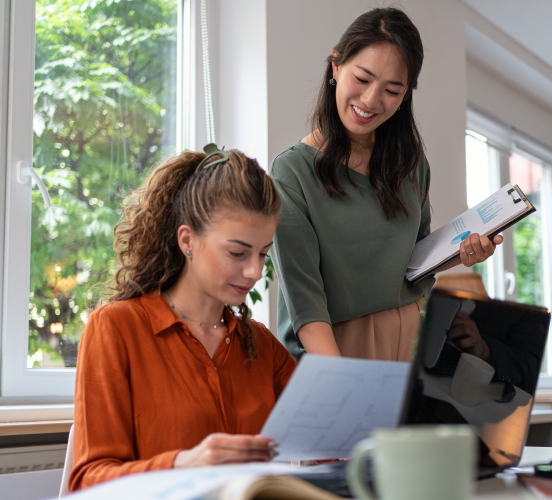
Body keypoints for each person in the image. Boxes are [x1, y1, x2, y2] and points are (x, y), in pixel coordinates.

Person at [270, 7, 502, 361]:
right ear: (336, 66)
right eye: (362, 79)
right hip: (332, 347)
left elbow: (411, 264)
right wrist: (337, 378)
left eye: (392, 90)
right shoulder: (293, 172)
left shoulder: (410, 166)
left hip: (412, 341)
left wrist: (460, 253)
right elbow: (305, 301)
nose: (371, 101)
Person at [70, 146, 296, 490]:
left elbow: (320, 439)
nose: (254, 271)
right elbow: (88, 481)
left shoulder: (262, 345)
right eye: (238, 252)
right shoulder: (116, 329)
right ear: (187, 240)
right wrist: (184, 463)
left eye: (263, 253)